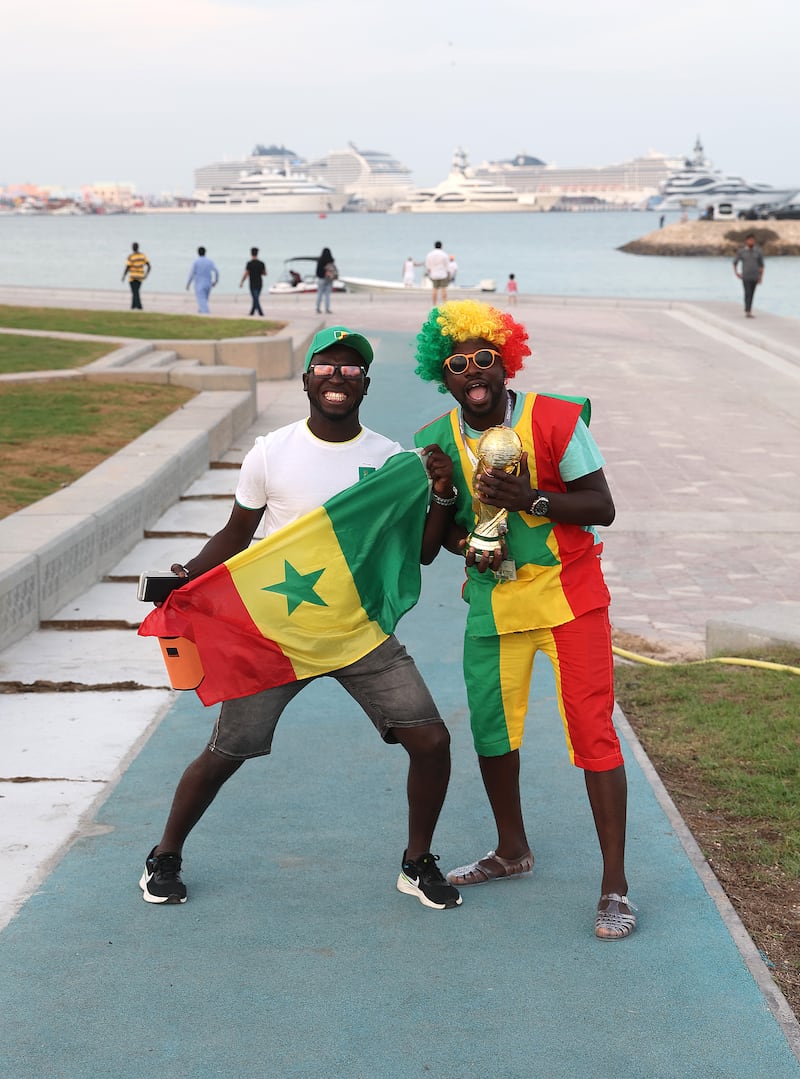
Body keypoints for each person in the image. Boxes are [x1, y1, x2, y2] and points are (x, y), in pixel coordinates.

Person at [139, 325, 461, 913]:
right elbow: (238, 534)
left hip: (357, 631)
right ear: (307, 379)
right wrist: (185, 579)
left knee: (432, 741)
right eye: (326, 367)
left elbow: (419, 552)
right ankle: (164, 855)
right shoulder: (270, 452)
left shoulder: (390, 460)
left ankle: (417, 864)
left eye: (350, 369)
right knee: (226, 752)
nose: (337, 377)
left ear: (365, 383)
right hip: (277, 635)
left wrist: (440, 490)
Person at [413, 299, 635, 941]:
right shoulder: (434, 440)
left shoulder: (556, 419)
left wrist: (532, 499)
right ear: (445, 375)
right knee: (490, 729)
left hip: (570, 597)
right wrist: (462, 532)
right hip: (493, 605)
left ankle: (614, 885)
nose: (472, 372)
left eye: (484, 358)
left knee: (594, 733)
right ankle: (512, 849)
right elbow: (442, 538)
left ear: (504, 362)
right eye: (456, 364)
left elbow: (603, 505)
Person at [733, 233, 765, 318]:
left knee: (752, 293)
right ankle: (748, 310)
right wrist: (736, 273)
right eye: (750, 240)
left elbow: (761, 265)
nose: (751, 242)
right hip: (746, 276)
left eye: (753, 240)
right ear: (746, 241)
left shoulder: (758, 252)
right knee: (747, 293)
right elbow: (735, 262)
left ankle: (749, 309)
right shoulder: (742, 252)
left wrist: (761, 277)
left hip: (755, 276)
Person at [186, 246, 219, 314]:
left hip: (199, 284)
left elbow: (192, 274)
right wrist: (215, 281)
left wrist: (188, 284)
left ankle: (206, 313)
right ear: (205, 252)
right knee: (204, 300)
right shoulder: (210, 261)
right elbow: (216, 271)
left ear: (198, 253)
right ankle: (201, 311)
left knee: (201, 300)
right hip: (208, 284)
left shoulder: (196, 262)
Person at [121, 242, 150, 310]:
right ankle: (134, 306)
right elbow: (149, 266)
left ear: (133, 248)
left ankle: (138, 306)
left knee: (135, 292)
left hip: (133, 277)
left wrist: (124, 276)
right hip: (140, 276)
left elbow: (127, 267)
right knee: (136, 291)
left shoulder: (131, 256)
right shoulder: (143, 256)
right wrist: (146, 275)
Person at [239, 246, 267, 316]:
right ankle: (252, 313)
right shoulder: (261, 263)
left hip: (252, 283)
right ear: (257, 254)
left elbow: (246, 273)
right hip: (259, 283)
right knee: (256, 298)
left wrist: (242, 281)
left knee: (255, 298)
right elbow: (265, 273)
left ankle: (261, 313)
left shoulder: (249, 263)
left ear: (251, 254)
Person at [424, 241, 451, 306]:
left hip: (434, 274)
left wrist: (429, 272)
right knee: (443, 289)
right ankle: (444, 304)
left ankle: (434, 304)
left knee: (434, 289)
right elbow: (447, 266)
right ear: (441, 246)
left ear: (434, 246)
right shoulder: (444, 254)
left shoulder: (430, 254)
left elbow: (427, 266)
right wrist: (449, 274)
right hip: (443, 274)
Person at [315, 247, 337, 314]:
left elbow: (317, 271)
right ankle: (327, 309)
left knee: (319, 294)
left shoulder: (320, 260)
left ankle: (318, 308)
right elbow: (334, 269)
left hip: (321, 279)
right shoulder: (331, 260)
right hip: (329, 279)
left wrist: (320, 276)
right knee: (327, 295)